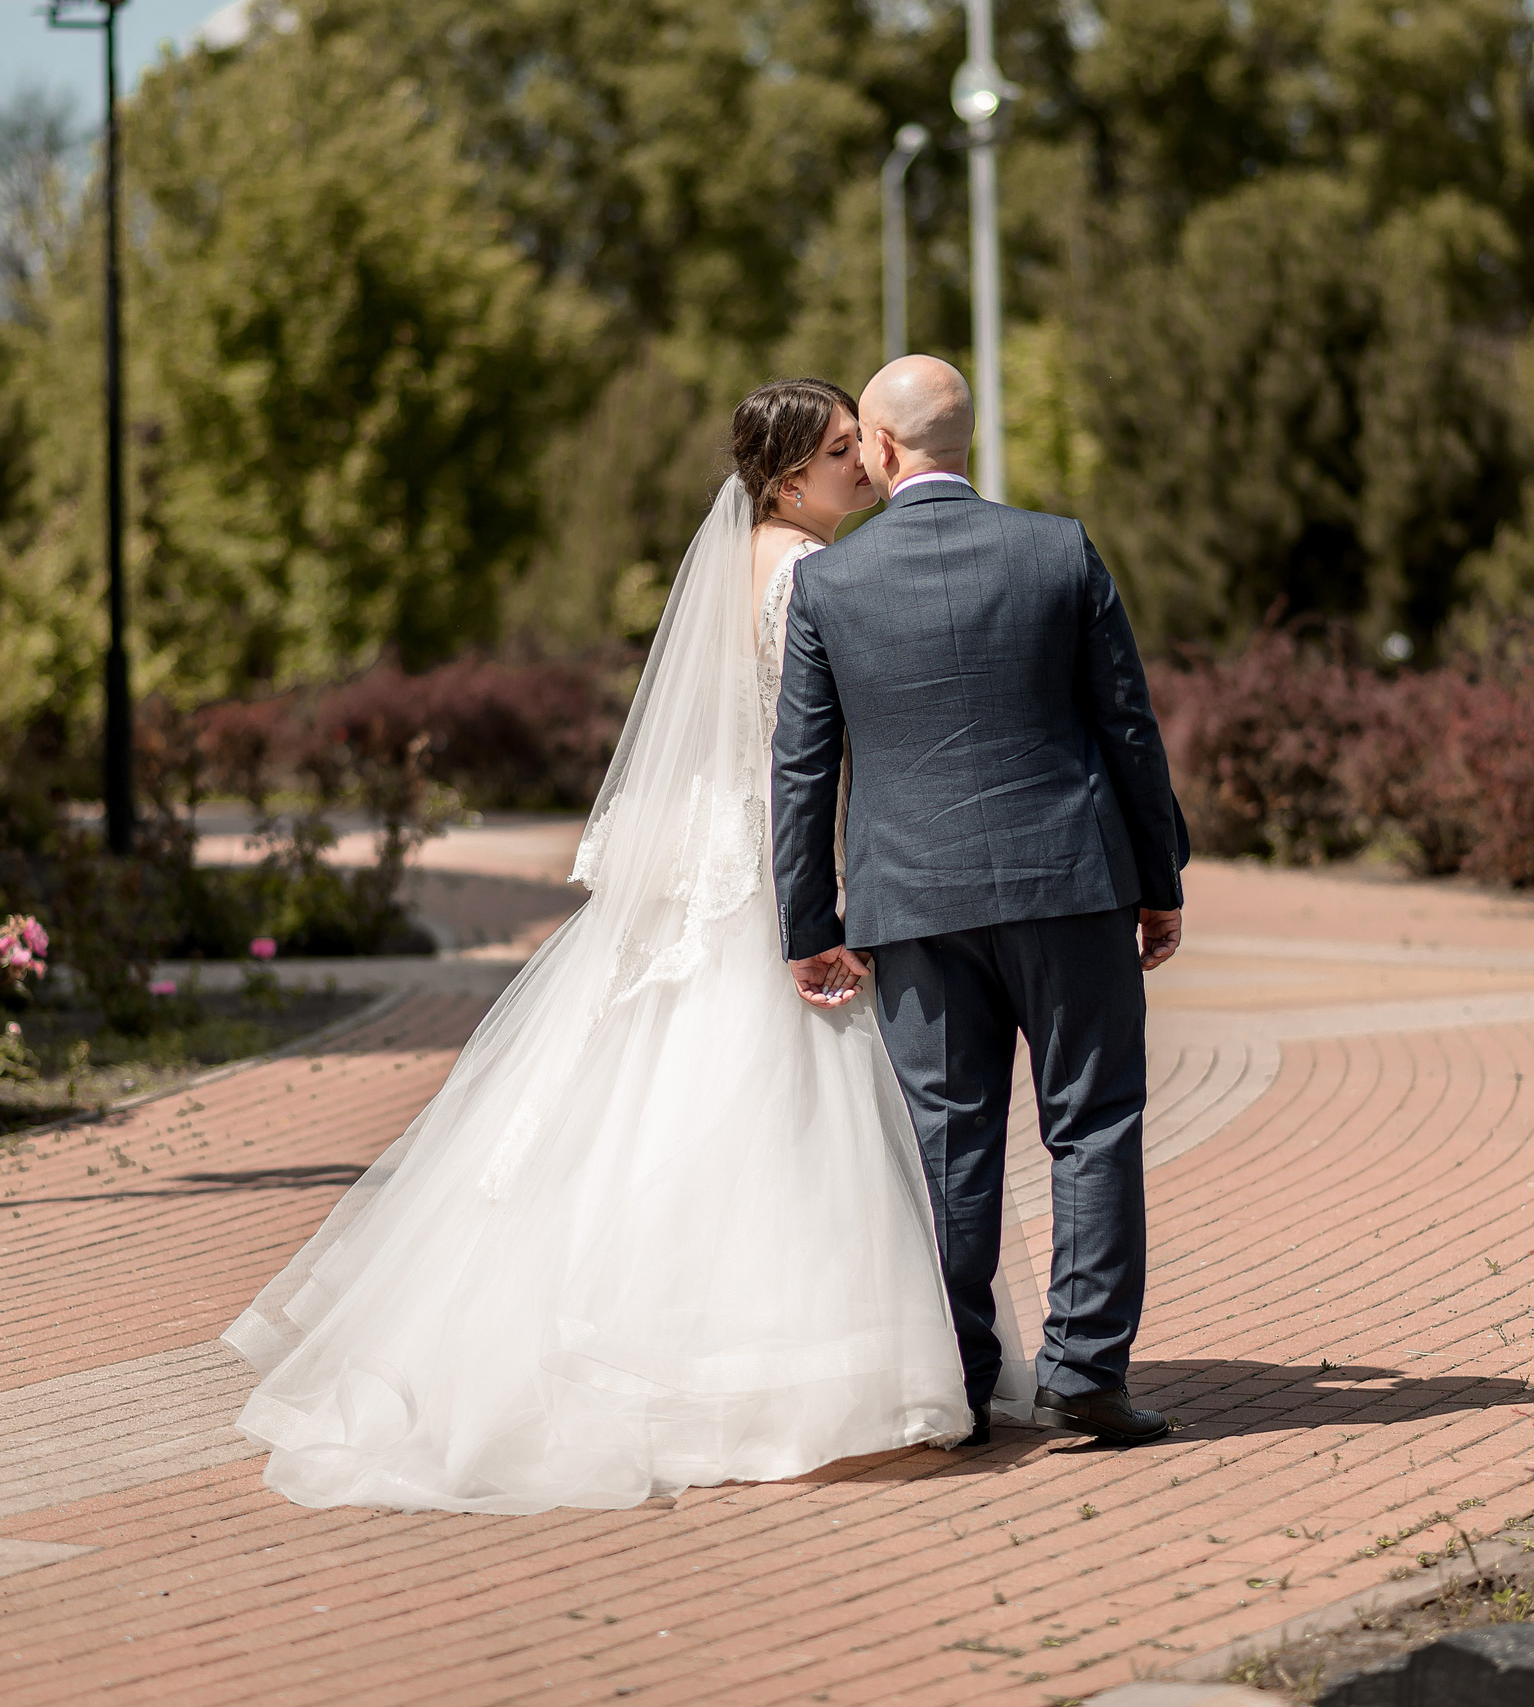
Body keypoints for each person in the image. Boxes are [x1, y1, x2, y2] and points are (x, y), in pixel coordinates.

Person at [221, 379, 991, 1514]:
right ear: (785, 479)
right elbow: (809, 743)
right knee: (772, 1098)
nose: (863, 465)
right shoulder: (808, 574)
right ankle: (792, 1381)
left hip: (710, 851)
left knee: (660, 1091)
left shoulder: (744, 564)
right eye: (838, 452)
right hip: (769, 863)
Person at [769, 355, 1189, 1448]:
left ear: (882, 447)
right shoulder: (1056, 549)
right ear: (962, 438)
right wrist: (1159, 883)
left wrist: (807, 923)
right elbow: (1127, 729)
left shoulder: (831, 584)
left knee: (950, 1144)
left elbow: (803, 769)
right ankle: (1085, 1373)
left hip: (911, 903)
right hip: (1069, 884)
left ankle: (958, 1380)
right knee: (1092, 1126)